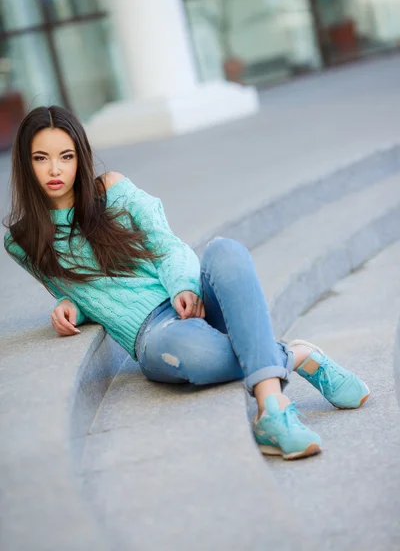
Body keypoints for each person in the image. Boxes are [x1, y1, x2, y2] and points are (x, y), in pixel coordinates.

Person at [3, 106, 370, 461]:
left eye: (66, 156)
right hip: (154, 334)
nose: (55, 169)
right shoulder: (22, 241)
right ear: (25, 162)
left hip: (191, 298)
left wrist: (183, 285)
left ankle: (271, 411)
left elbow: (166, 244)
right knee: (197, 356)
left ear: (80, 157)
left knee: (225, 251)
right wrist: (70, 306)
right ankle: (299, 357)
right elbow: (80, 289)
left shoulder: (111, 189)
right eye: (41, 158)